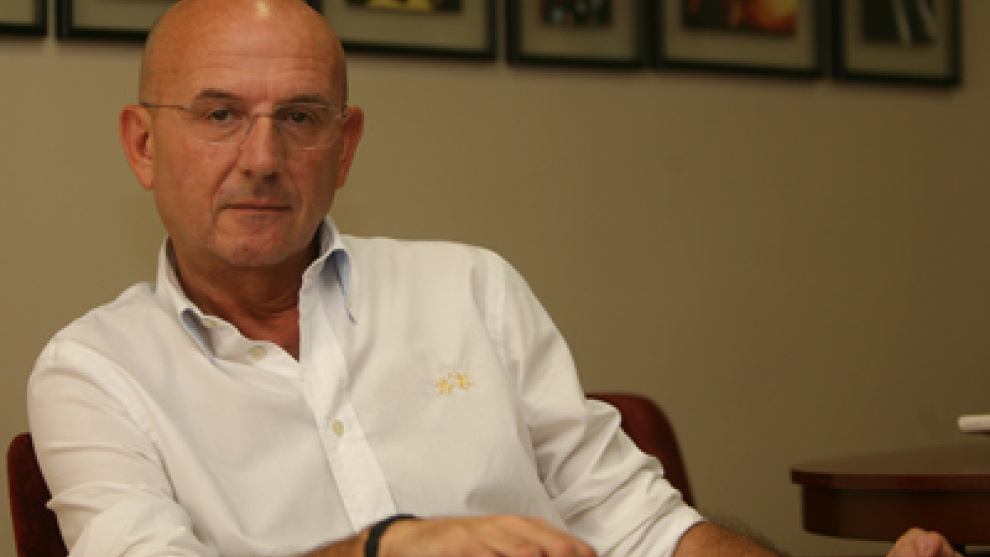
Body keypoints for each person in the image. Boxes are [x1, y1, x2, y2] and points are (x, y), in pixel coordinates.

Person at [26, 1, 959, 557]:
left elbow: (641, 529)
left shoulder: (470, 288)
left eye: (301, 117)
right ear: (143, 145)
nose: (264, 157)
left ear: (345, 147)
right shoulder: (95, 371)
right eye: (220, 114)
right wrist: (386, 547)